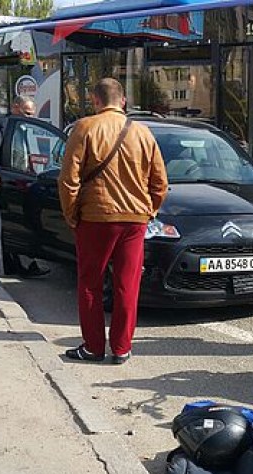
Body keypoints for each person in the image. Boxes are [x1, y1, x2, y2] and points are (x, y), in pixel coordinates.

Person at [59, 78, 168, 365]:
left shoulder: (84, 128)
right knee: (127, 284)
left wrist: (72, 215)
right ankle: (121, 348)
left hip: (95, 218)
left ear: (95, 100)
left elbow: (68, 180)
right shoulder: (143, 133)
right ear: (123, 102)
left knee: (90, 283)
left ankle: (94, 347)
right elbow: (160, 182)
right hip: (135, 220)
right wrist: (150, 211)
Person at [0, 95, 50, 277]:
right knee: (15, 222)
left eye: (32, 115)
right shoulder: (3, 124)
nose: (29, 118)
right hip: (9, 181)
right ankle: (18, 265)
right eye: (26, 113)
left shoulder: (25, 127)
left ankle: (21, 263)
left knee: (24, 220)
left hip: (24, 179)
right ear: (15, 107)